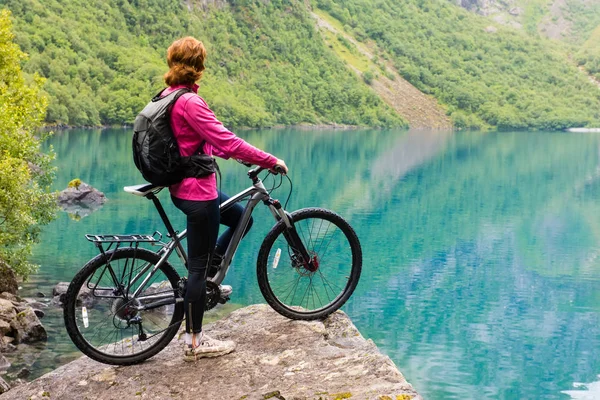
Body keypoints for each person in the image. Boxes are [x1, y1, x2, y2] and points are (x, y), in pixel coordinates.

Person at [161, 36, 288, 361]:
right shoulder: (191, 102)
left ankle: (209, 280)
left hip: (186, 186)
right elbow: (226, 141)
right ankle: (194, 342)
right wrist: (268, 160)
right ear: (198, 66)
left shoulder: (169, 96)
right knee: (197, 270)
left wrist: (234, 155)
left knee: (240, 217)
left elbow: (200, 142)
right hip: (197, 193)